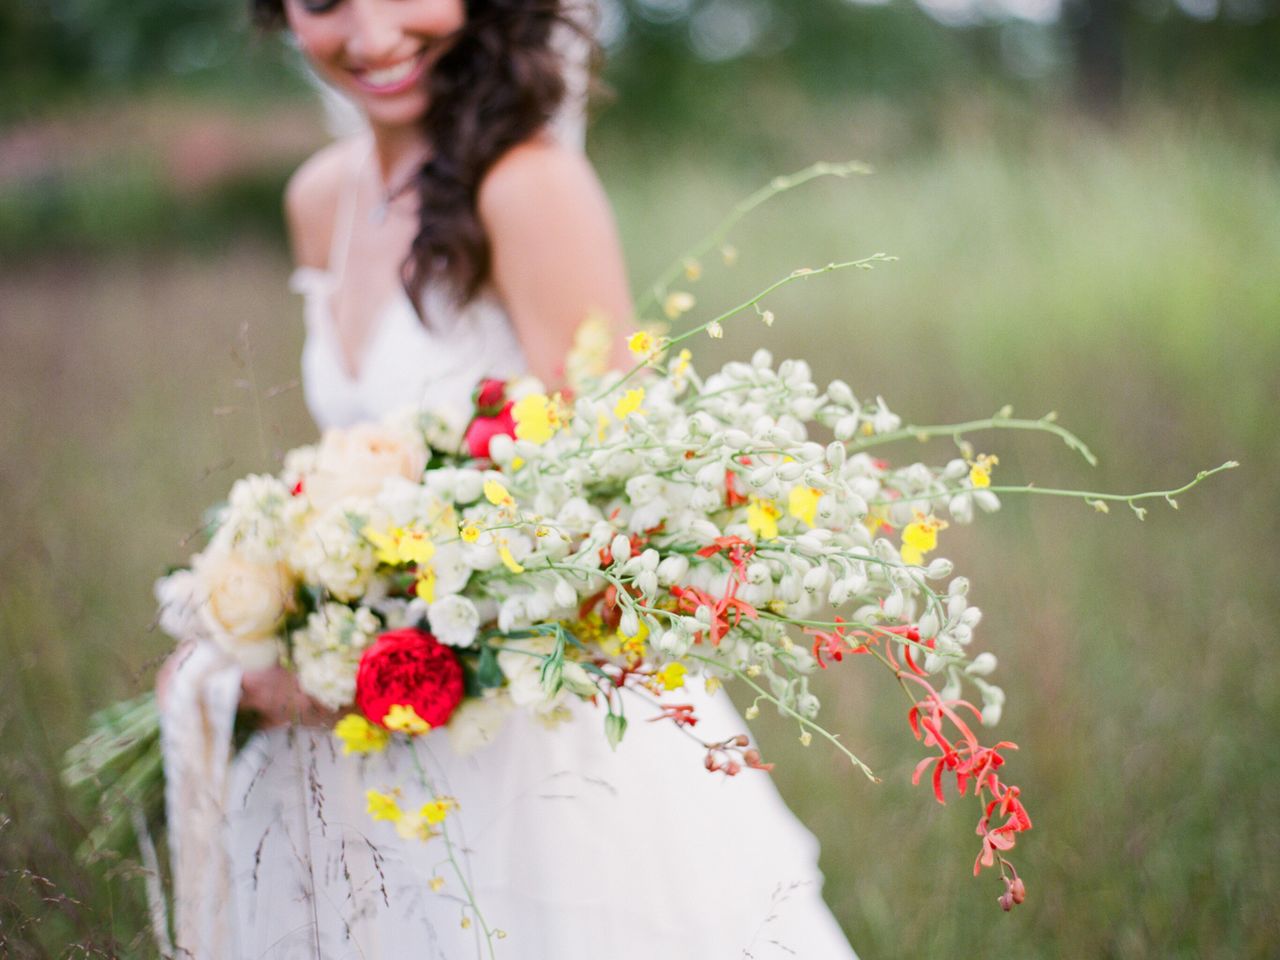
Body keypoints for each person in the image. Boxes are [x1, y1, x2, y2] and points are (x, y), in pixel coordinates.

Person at [157, 1, 859, 956]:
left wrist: (371, 657)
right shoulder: (319, 198)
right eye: (324, 0)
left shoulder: (529, 186)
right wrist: (283, 621)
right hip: (363, 746)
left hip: (539, 743)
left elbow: (624, 502)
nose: (370, 38)